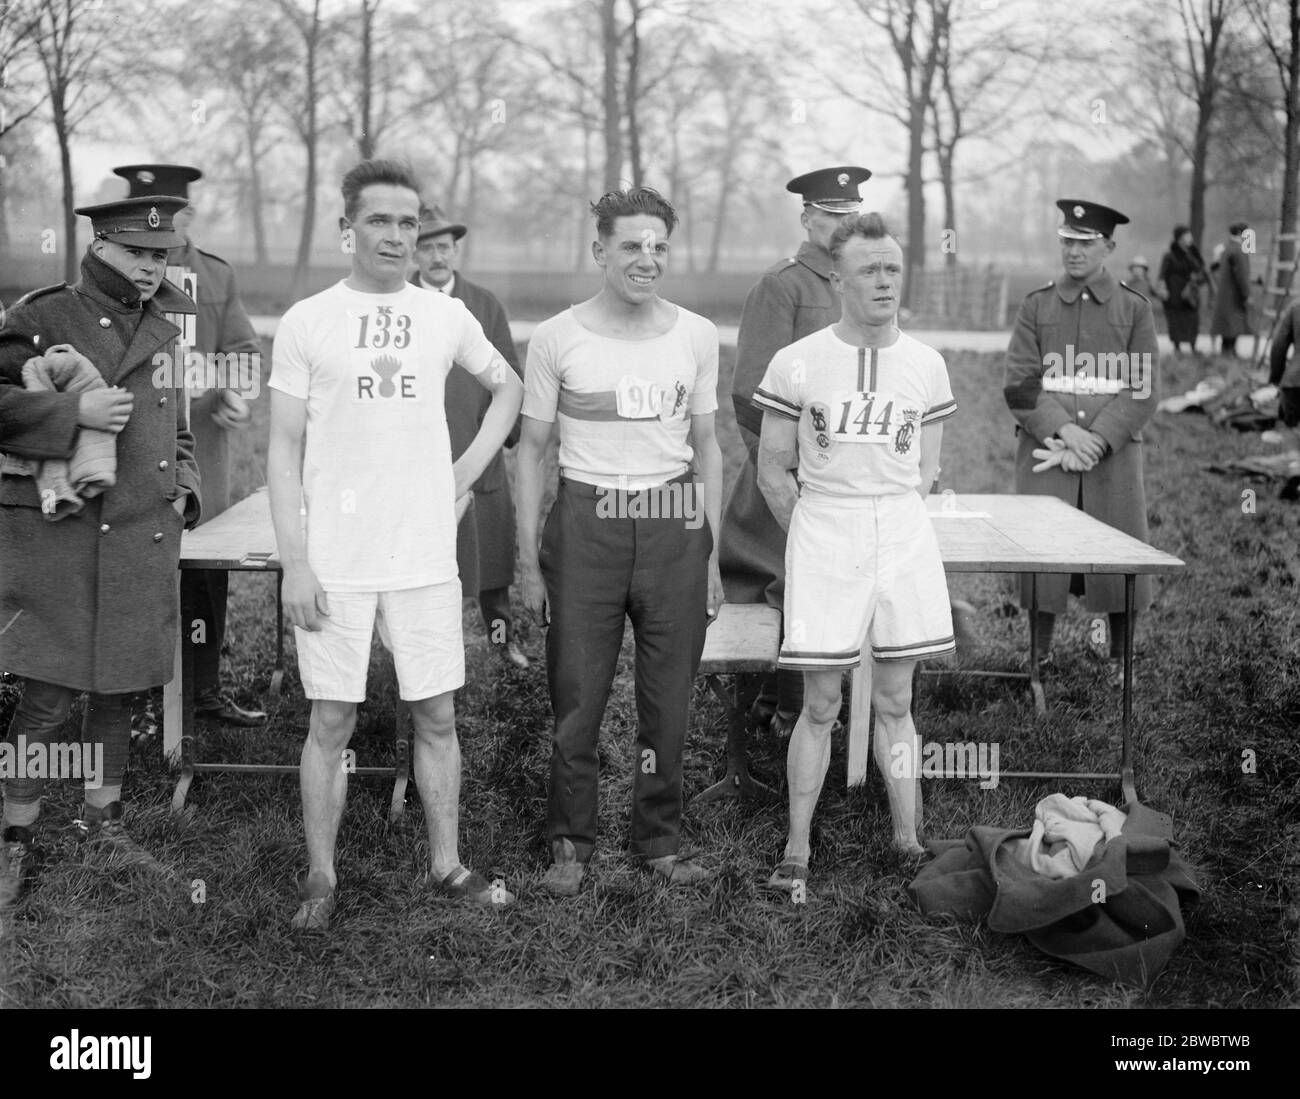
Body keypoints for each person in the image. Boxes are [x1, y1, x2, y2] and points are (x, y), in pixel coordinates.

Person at [267, 160, 523, 930]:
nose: (397, 235)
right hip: (338, 559)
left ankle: (446, 862)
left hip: (421, 557)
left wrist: (468, 468)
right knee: (331, 721)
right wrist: (296, 562)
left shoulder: (443, 315)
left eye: (409, 223)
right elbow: (281, 450)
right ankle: (320, 873)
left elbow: (508, 385)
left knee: (437, 714)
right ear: (348, 229)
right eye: (380, 220)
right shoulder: (309, 319)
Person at [516, 186, 724, 896]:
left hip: (674, 521)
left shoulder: (695, 334)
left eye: (660, 246)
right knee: (577, 694)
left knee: (669, 698)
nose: (647, 258)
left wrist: (713, 549)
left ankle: (658, 840)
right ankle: (570, 843)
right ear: (599, 248)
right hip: (586, 522)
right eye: (632, 245)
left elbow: (709, 445)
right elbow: (531, 450)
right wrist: (529, 564)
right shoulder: (557, 337)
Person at [0, 195, 200, 906]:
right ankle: (15, 837)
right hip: (60, 538)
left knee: (117, 688)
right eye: (137, 253)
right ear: (100, 247)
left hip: (140, 536)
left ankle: (101, 821)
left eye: (160, 256)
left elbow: (179, 437)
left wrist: (185, 491)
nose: (151, 267)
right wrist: (72, 412)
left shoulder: (169, 335)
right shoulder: (42, 317)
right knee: (49, 698)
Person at [753, 212, 956, 888]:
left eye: (893, 268)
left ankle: (907, 838)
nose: (884, 281)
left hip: (899, 530)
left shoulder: (927, 364)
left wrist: (889, 525)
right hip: (827, 526)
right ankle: (797, 848)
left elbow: (925, 470)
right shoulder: (798, 360)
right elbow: (772, 468)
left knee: (896, 701)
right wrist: (813, 534)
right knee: (820, 703)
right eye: (869, 269)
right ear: (838, 278)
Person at [719, 165, 871, 736]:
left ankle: (815, 705)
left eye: (850, 214)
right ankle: (785, 713)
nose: (841, 225)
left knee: (842, 585)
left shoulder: (860, 282)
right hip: (789, 475)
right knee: (790, 587)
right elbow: (749, 388)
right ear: (807, 218)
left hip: (853, 471)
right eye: (831, 214)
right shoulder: (782, 285)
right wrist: (784, 469)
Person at [113, 163, 266, 726]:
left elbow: (246, 356)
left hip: (200, 454)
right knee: (131, 568)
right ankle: (132, 696)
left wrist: (233, 390)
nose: (158, 232)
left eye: (171, 216)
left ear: (188, 216)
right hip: (126, 454)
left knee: (204, 572)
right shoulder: (110, 277)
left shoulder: (216, 276)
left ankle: (202, 691)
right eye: (145, 220)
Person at [1003, 200, 1158, 687]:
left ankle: (1119, 658)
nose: (1073, 251)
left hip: (1110, 455)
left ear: (1109, 247)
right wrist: (1064, 431)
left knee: (1119, 550)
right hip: (1048, 449)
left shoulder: (1134, 307)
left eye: (1085, 243)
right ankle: (1039, 654)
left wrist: (1098, 438)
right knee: (1039, 551)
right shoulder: (1036, 304)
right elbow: (1020, 384)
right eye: (1067, 241)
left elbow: (1144, 388)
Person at [411, 205, 528, 670]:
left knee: (490, 562)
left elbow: (511, 377)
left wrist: (500, 436)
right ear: (414, 253)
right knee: (424, 560)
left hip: (478, 451)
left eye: (444, 246)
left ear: (456, 250)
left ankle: (502, 641)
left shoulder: (483, 304)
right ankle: (422, 650)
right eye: (427, 247)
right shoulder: (403, 306)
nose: (437, 256)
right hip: (421, 455)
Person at [1157, 225, 1208, 355]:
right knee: (1176, 319)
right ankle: (1177, 346)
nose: (1190, 238)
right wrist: (1163, 289)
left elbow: (1202, 271)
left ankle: (1192, 345)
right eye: (1187, 235)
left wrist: (1197, 277)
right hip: (1174, 292)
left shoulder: (1193, 254)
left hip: (1190, 292)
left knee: (1192, 319)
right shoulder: (1169, 256)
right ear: (1179, 238)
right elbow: (1162, 274)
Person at [1210, 221, 1252, 358]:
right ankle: (1230, 354)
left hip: (1225, 294)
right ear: (1240, 233)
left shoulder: (1226, 248)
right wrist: (1247, 294)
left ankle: (1227, 354)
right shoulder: (1239, 250)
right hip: (1234, 296)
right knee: (1233, 326)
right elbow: (1242, 275)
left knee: (1227, 327)